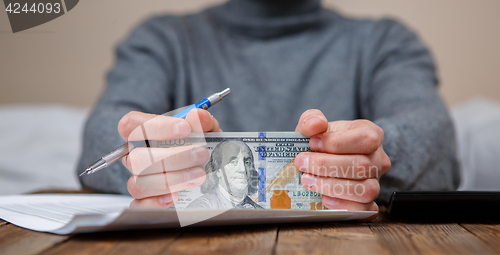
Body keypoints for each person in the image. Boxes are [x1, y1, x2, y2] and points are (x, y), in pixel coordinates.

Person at [77, 0, 460, 218]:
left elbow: (436, 140)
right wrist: (148, 154)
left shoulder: (383, 41)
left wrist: (370, 153)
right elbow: (101, 133)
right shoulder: (162, 39)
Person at [187, 140, 263, 209]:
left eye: (247, 163)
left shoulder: (261, 212)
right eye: (233, 162)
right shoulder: (199, 208)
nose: (242, 169)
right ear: (217, 170)